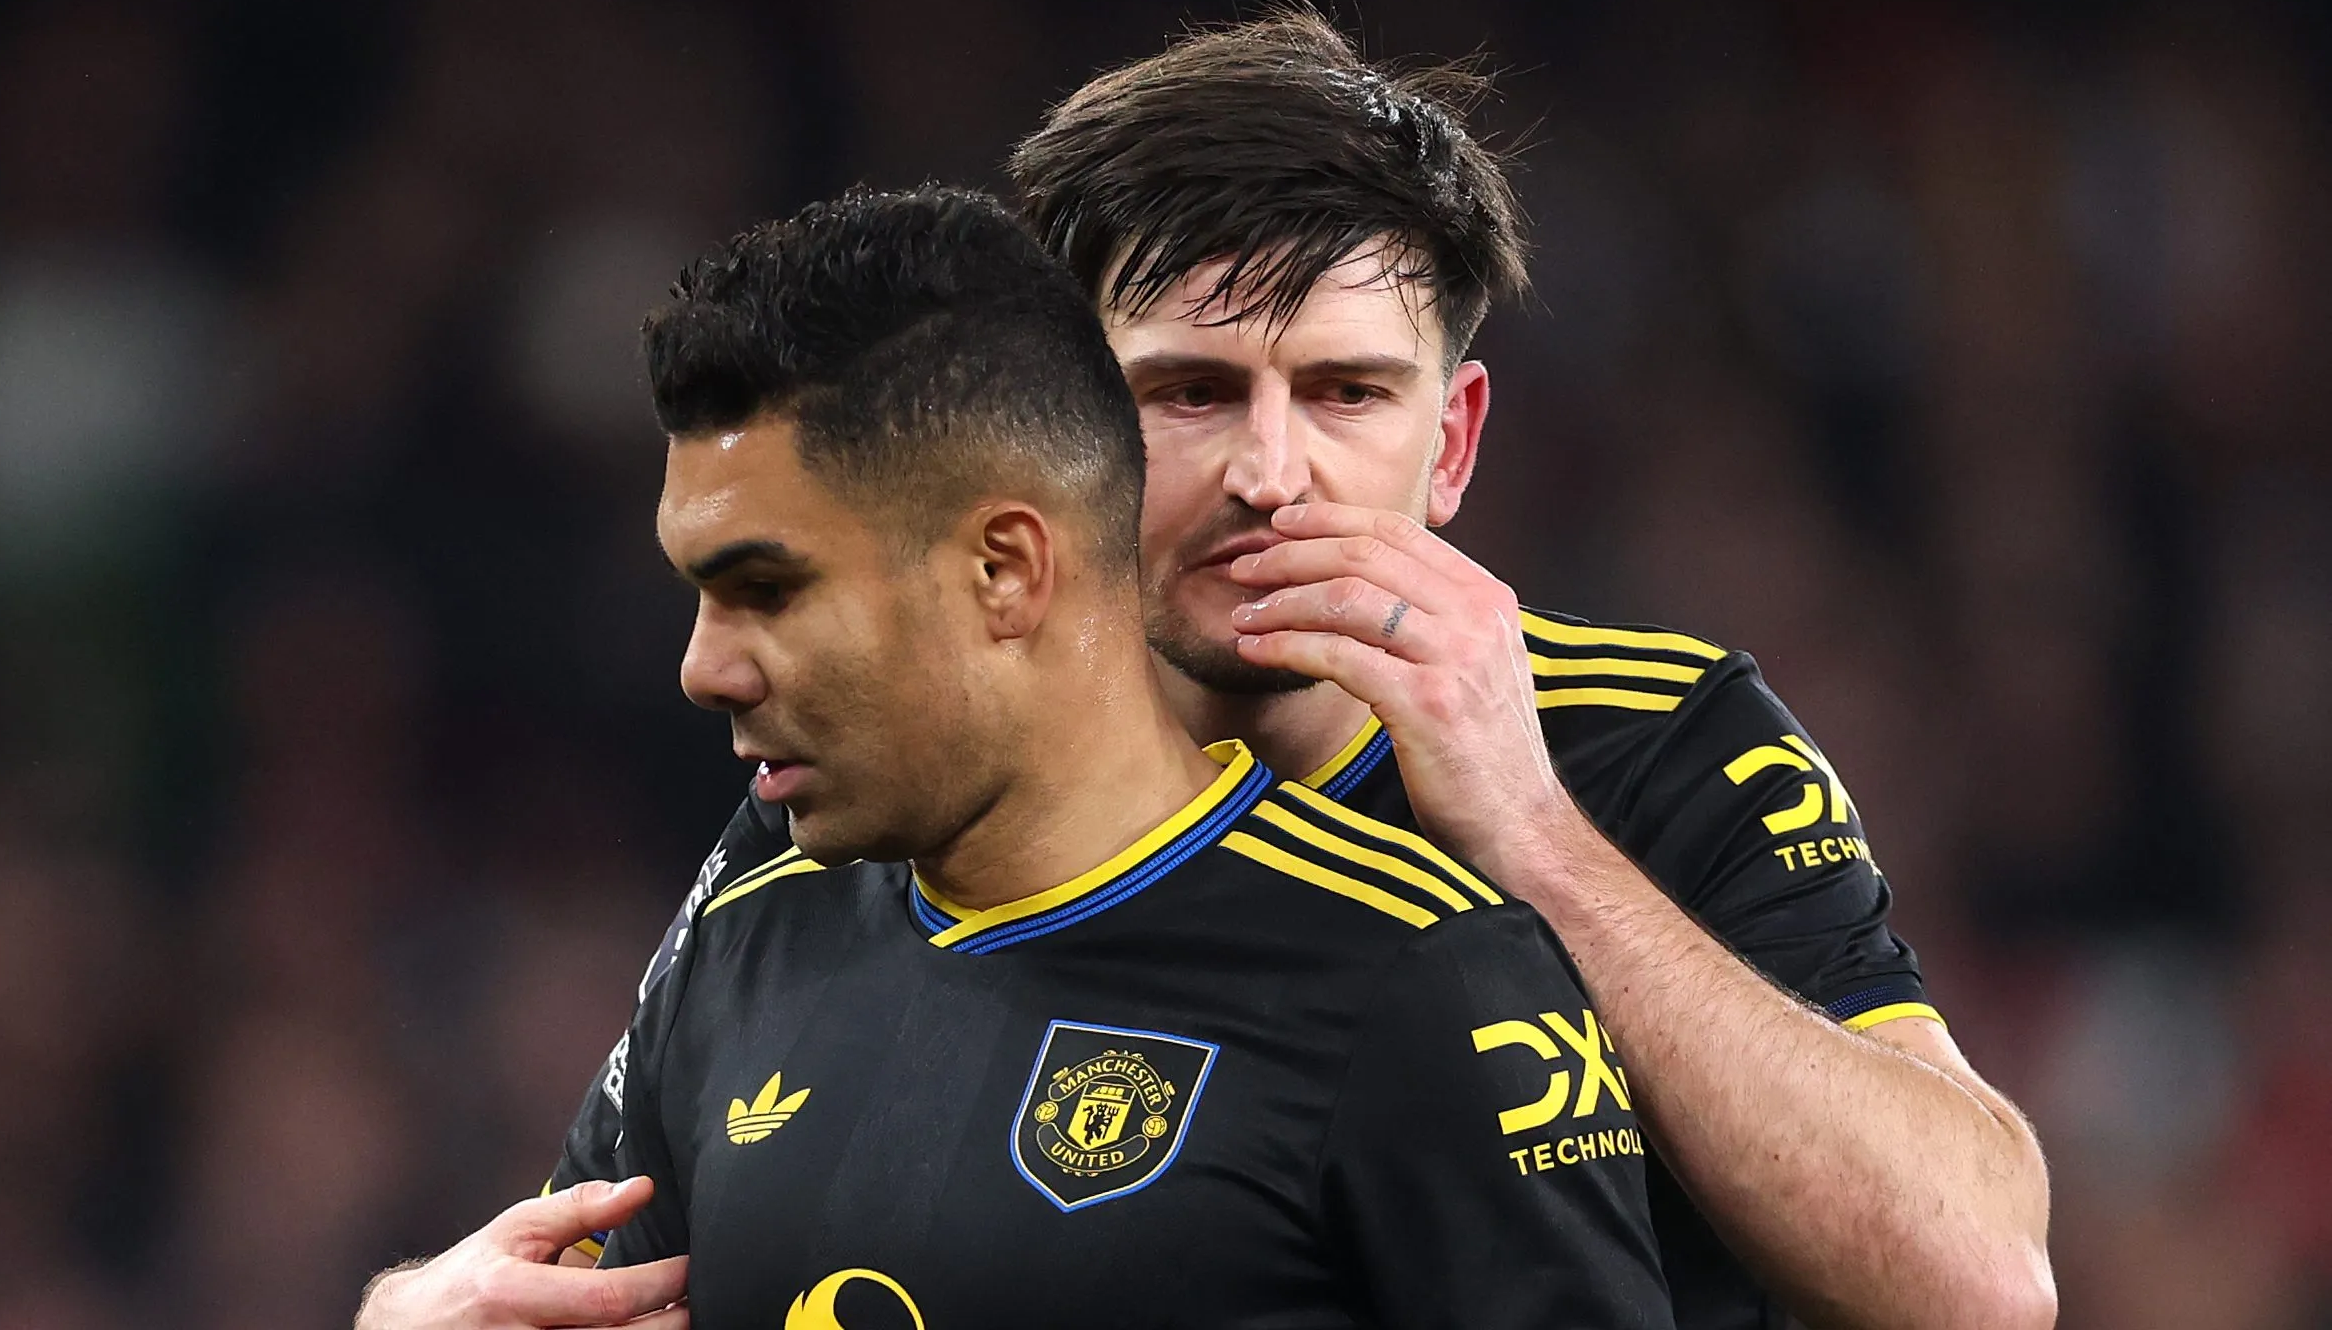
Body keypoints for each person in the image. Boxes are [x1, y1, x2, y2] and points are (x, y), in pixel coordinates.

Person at [367, 5, 2056, 1330]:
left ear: (1450, 441)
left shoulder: (1655, 745)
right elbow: (590, 1262)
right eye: (1187, 391)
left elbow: (1977, 1286)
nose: (1270, 472)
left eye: (1344, 393)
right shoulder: (881, 786)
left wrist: (1538, 842)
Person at [361, 185, 1671, 1328]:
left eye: (766, 590)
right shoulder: (746, 936)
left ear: (1003, 570)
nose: (706, 666)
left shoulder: (1415, 977)